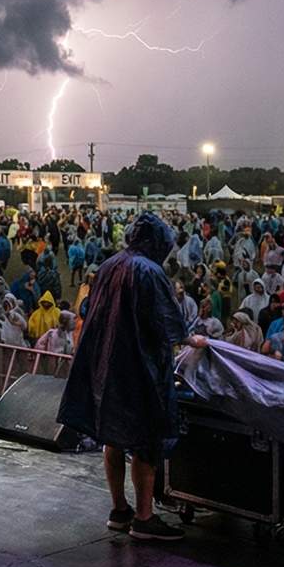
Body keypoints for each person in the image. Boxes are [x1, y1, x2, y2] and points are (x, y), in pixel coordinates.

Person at [59, 212, 209, 543]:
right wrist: (190, 339)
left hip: (105, 364)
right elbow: (166, 321)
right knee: (147, 439)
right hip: (139, 368)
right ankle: (144, 517)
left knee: (112, 435)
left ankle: (119, 510)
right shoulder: (150, 271)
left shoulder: (110, 264)